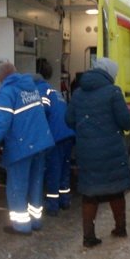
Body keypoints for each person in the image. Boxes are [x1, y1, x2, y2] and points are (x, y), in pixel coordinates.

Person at [65, 57, 130, 248]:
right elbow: (126, 122)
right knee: (116, 190)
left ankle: (88, 237)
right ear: (109, 73)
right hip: (111, 150)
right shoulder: (113, 92)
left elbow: (68, 120)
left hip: (87, 151)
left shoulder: (78, 93)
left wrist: (86, 129)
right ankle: (120, 228)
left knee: (90, 192)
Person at [0, 62, 54, 235]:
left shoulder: (7, 92)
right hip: (40, 141)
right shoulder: (30, 87)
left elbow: (2, 124)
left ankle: (21, 226)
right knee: (36, 183)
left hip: (21, 145)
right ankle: (35, 221)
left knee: (17, 186)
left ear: (1, 78)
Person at [33, 58, 76, 216]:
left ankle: (52, 205)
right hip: (68, 134)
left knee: (53, 170)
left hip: (56, 137)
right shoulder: (54, 90)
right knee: (64, 169)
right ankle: (65, 200)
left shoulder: (41, 91)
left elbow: (43, 110)